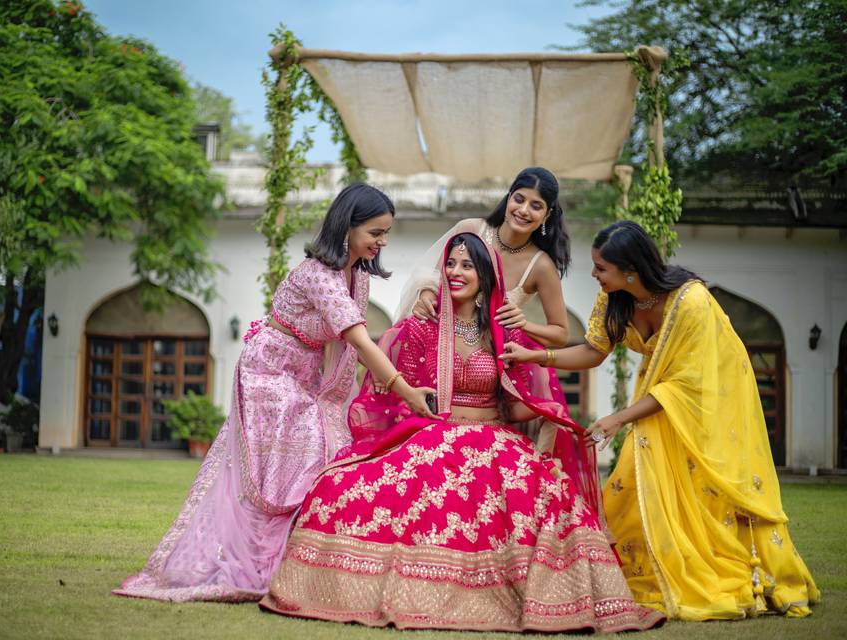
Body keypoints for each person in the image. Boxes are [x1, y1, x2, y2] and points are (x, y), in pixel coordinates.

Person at [259, 233, 665, 633]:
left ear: (486, 276)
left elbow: (518, 401)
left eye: (467, 265)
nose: (455, 271)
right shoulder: (422, 328)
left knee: (545, 498)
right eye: (450, 263)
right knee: (341, 486)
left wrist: (550, 412)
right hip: (434, 435)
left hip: (496, 439)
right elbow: (398, 391)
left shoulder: (506, 333)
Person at [114, 183, 437, 603]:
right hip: (269, 371)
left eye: (387, 233)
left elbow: (352, 342)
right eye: (376, 232)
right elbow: (357, 340)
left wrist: (394, 378)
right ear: (348, 226)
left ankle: (293, 564)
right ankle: (257, 566)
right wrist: (403, 389)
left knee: (323, 453)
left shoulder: (356, 276)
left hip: (303, 372)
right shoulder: (319, 275)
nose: (383, 242)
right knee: (293, 462)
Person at [501, 220, 820, 620]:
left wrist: (618, 419)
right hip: (657, 397)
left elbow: (687, 384)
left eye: (601, 267)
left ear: (630, 269)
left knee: (700, 487)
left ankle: (719, 567)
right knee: (638, 476)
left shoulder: (692, 302)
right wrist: (536, 354)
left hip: (707, 403)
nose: (594, 274)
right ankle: (651, 567)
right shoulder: (615, 298)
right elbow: (593, 351)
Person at [399, 167, 571, 349]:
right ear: (509, 197)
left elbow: (561, 335)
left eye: (536, 206)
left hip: (489, 363)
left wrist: (523, 324)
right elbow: (436, 279)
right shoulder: (471, 229)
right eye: (519, 199)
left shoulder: (541, 266)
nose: (523, 210)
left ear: (547, 214)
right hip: (439, 348)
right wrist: (426, 295)